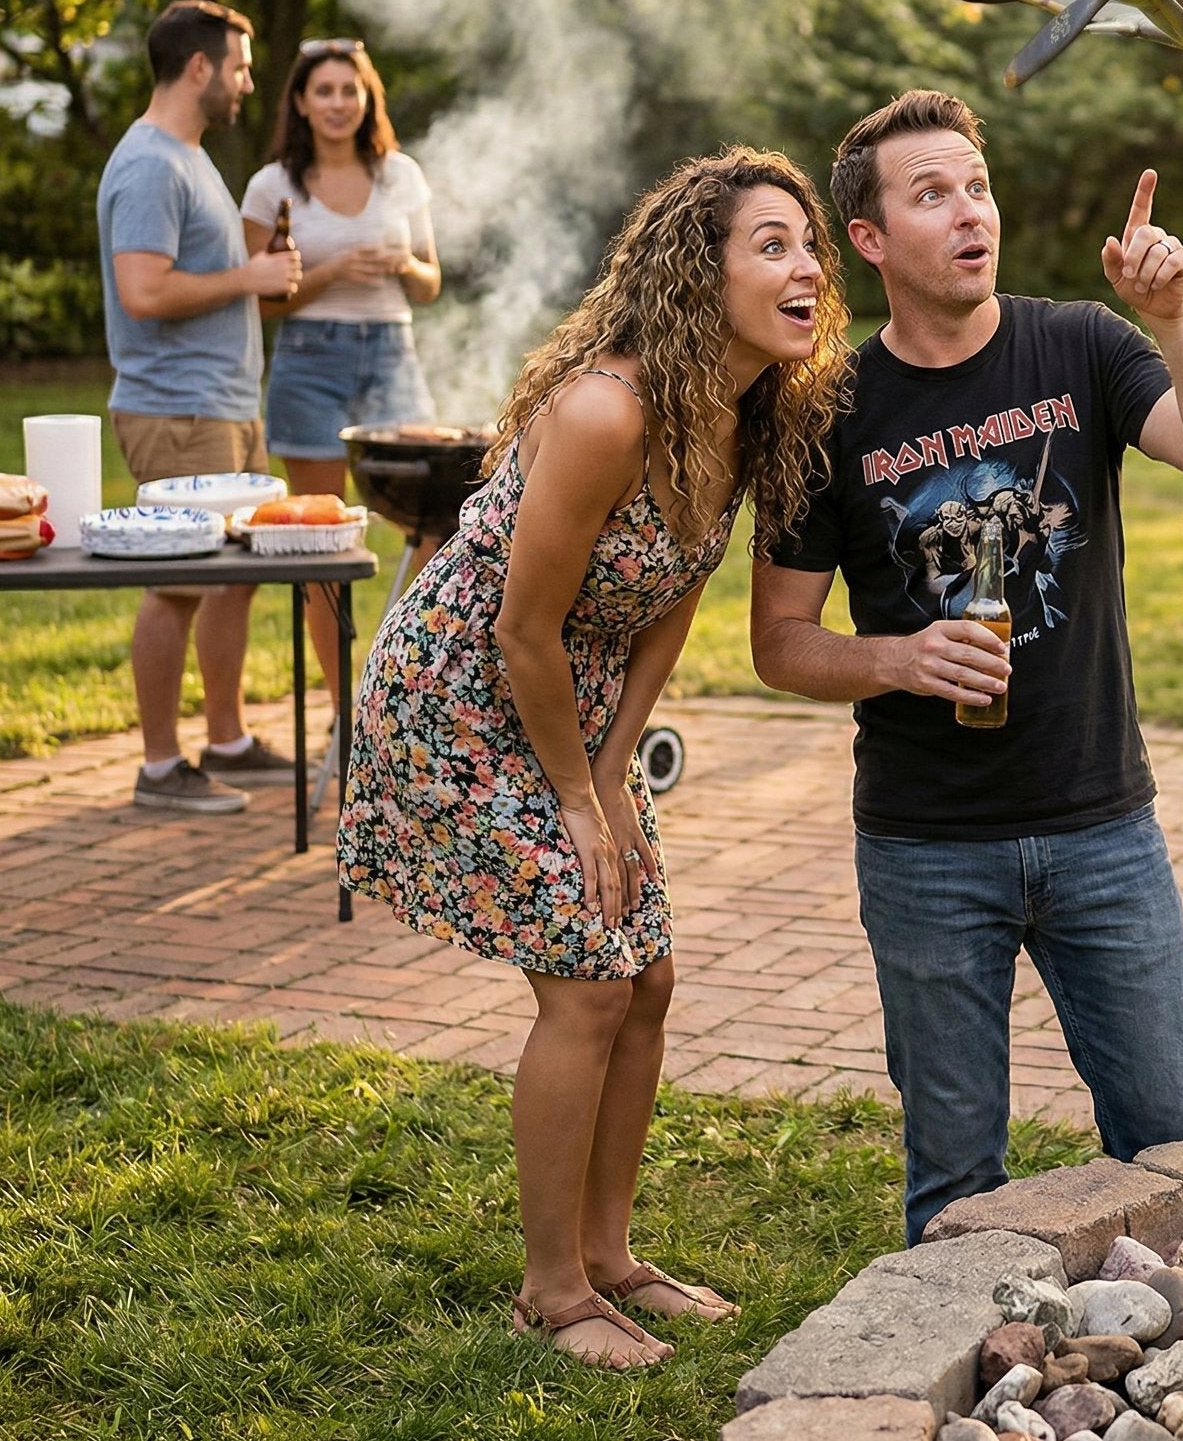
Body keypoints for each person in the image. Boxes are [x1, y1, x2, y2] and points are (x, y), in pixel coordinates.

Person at [337, 147, 850, 1369]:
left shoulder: (748, 410)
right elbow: (519, 625)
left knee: (649, 972)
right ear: (697, 272)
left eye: (809, 245)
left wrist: (617, 771)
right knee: (587, 979)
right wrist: (574, 794)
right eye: (769, 244)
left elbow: (669, 599)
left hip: (580, 702)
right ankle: (552, 1289)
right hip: (461, 692)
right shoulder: (606, 407)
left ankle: (613, 1255)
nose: (805, 268)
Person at [750, 90, 1183, 1245]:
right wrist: (895, 653)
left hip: (1101, 824)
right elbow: (777, 641)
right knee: (953, 1183)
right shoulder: (825, 407)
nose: (967, 211)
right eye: (929, 193)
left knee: (1172, 1152)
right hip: (925, 843)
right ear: (873, 240)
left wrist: (1174, 318)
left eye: (975, 185)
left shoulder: (1077, 343)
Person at [98, 0, 304, 815]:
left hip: (222, 406)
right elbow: (142, 292)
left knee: (234, 581)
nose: (249, 83)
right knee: (181, 582)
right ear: (199, 68)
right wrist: (249, 279)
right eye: (241, 66)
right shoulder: (151, 163)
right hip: (177, 410)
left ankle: (226, 739)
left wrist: (255, 275)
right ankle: (158, 768)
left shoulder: (187, 158)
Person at [243, 37, 441, 692]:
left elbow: (430, 281)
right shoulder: (272, 186)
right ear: (300, 101)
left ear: (367, 99)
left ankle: (401, 682)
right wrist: (331, 272)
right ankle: (343, 709)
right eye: (323, 91)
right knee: (322, 537)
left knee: (433, 529)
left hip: (391, 348)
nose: (337, 103)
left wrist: (401, 265)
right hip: (309, 359)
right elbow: (264, 301)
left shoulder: (401, 175)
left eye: (348, 90)